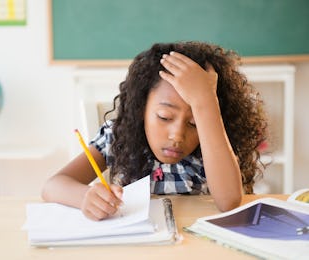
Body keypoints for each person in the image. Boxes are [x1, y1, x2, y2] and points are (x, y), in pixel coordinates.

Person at [42, 41, 268, 221]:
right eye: (165, 117)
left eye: (194, 123)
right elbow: (52, 186)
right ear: (141, 109)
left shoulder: (213, 139)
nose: (177, 135)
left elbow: (229, 201)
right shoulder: (118, 137)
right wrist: (85, 197)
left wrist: (205, 102)